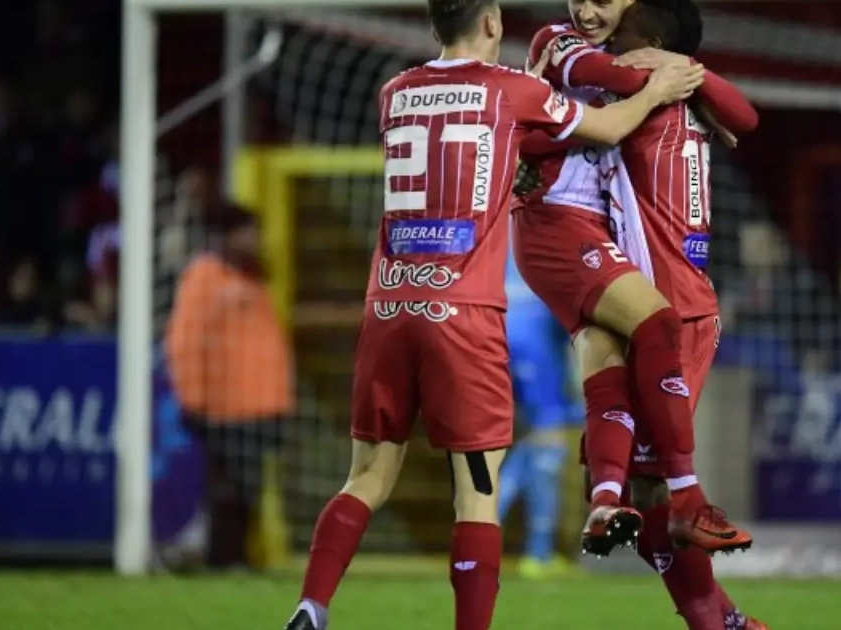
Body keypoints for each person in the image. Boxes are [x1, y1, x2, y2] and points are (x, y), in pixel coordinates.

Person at [283, 0, 703, 627]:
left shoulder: (395, 92)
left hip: (388, 305)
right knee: (475, 496)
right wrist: (658, 90)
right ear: (492, 23)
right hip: (463, 312)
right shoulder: (512, 90)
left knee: (366, 476)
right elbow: (609, 128)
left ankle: (311, 606)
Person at [513, 0, 759, 556]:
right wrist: (667, 72)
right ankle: (686, 498)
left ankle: (606, 501)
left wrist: (681, 70)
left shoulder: (659, 82)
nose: (586, 10)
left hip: (613, 245)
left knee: (609, 372)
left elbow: (745, 118)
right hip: (564, 228)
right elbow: (599, 91)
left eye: (603, 1)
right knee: (653, 329)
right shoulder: (562, 45)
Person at [592, 3, 767, 629]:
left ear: (655, 42)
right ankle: (729, 623)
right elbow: (745, 116)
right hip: (656, 304)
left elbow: (746, 117)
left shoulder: (646, 86)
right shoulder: (683, 98)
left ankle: (724, 624)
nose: (614, 41)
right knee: (640, 496)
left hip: (673, 312)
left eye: (626, 32)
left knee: (652, 493)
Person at [164, 203, 292, 570]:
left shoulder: (254, 277)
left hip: (260, 405)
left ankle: (234, 556)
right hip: (223, 406)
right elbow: (185, 340)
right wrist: (193, 396)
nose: (255, 239)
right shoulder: (204, 276)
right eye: (247, 231)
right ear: (227, 235)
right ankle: (221, 559)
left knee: (248, 488)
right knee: (226, 488)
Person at [496, 244, 582, 578]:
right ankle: (535, 551)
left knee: (534, 446)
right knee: (548, 448)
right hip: (533, 336)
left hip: (495, 331)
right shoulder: (547, 224)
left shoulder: (497, 225)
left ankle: (536, 550)